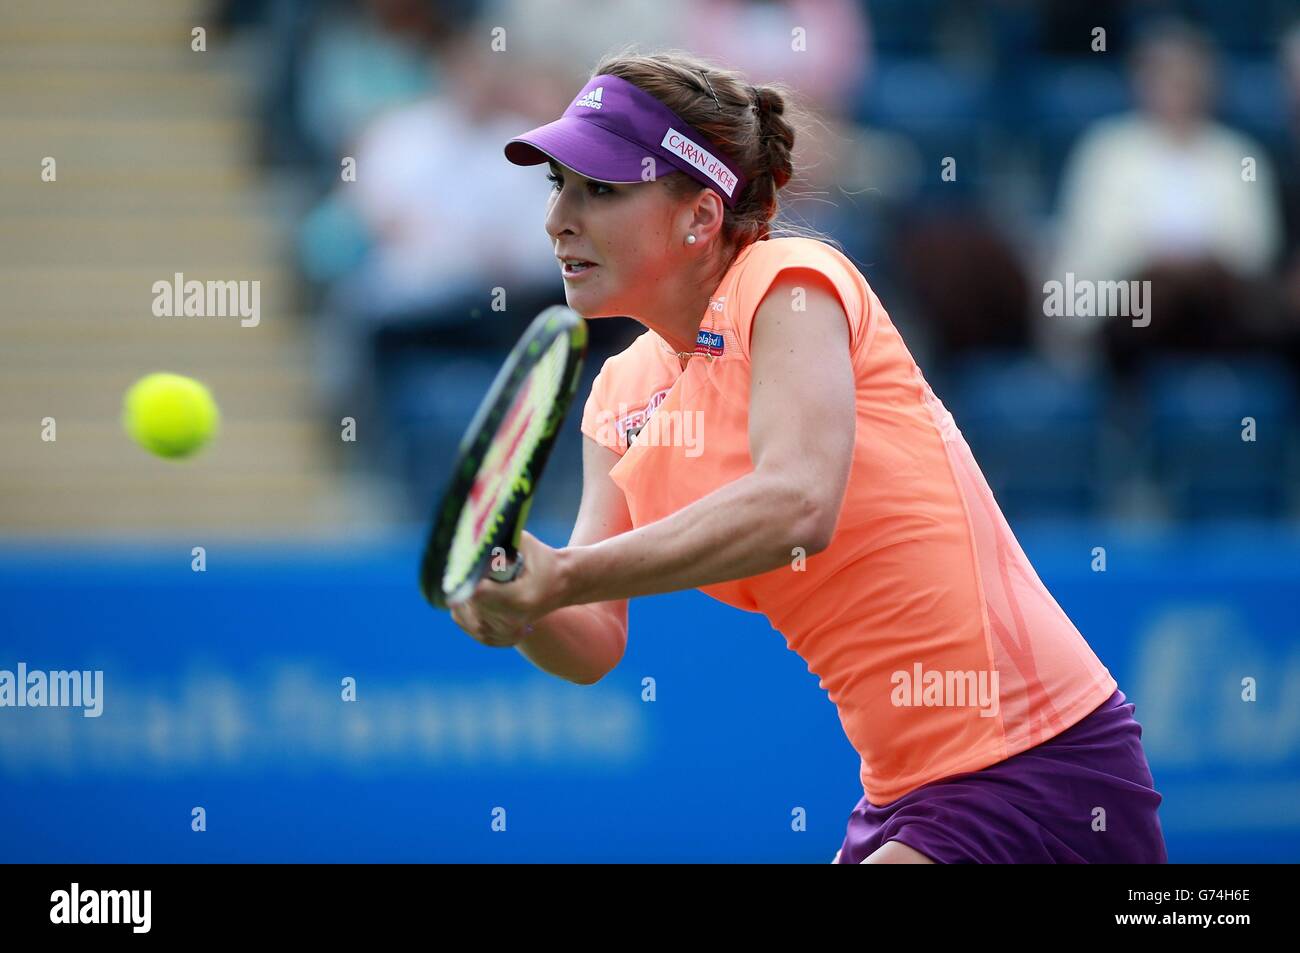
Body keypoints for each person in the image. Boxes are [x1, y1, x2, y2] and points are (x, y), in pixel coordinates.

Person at [448, 50, 1168, 864]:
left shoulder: (792, 281)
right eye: (559, 186)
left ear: (700, 214)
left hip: (1037, 759)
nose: (559, 220)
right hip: (904, 790)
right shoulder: (619, 395)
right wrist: (519, 603)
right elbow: (593, 637)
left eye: (602, 189)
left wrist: (564, 575)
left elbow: (798, 504)